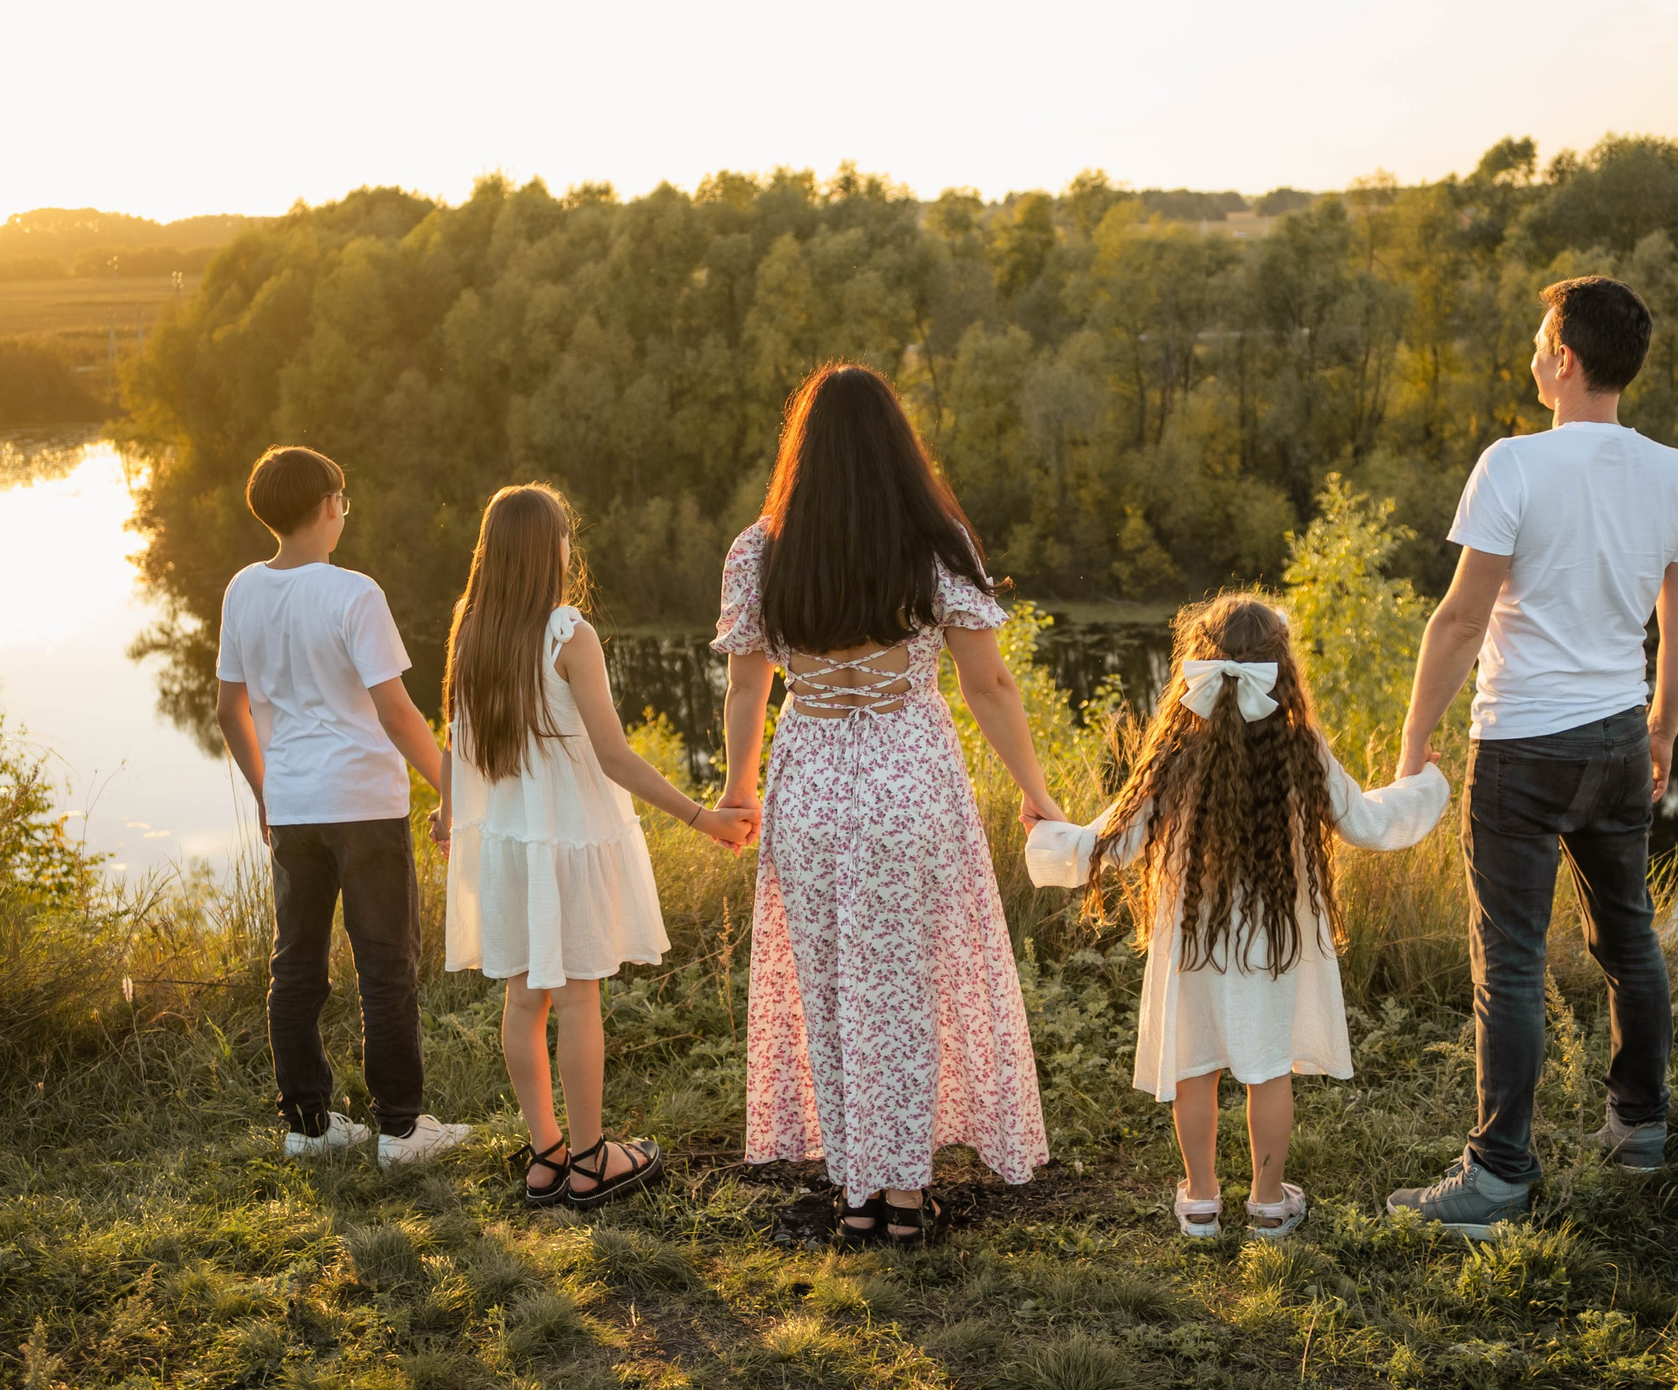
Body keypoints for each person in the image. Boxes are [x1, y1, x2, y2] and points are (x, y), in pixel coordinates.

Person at [1385, 276, 1678, 1238]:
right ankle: (1639, 1129)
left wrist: (1413, 740)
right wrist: (1662, 730)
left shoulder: (1512, 465)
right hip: (1616, 737)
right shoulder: (1673, 473)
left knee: (1512, 964)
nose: (1532, 354)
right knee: (1631, 939)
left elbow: (1458, 618)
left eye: (1539, 340)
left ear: (1566, 358)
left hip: (1522, 746)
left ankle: (1497, 1176)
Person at [713, 363, 1064, 1248]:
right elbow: (987, 682)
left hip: (813, 785)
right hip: (909, 779)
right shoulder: (936, 539)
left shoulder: (760, 548)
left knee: (831, 984)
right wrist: (1037, 792)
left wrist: (738, 787)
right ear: (896, 446)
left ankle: (857, 1188)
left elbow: (748, 688)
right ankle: (905, 1197)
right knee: (908, 986)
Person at [1025, 595, 1448, 1238]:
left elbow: (1114, 839)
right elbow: (1367, 821)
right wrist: (1424, 785)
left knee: (1196, 1068)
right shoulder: (1300, 745)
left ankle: (1199, 1200)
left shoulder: (1174, 750)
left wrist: (1048, 835)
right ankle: (1270, 1203)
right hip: (1272, 942)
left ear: (1198, 663)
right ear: (1282, 668)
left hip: (1194, 937)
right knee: (1268, 1070)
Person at [437, 485, 753, 1207]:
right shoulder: (567, 632)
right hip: (568, 836)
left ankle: (545, 1154)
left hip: (511, 841)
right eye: (564, 538)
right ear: (550, 550)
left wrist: (450, 814)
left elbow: (455, 735)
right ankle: (590, 1160)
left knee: (524, 999)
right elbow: (612, 755)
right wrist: (700, 814)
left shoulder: (472, 628)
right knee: (579, 999)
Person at [213, 445, 473, 1170]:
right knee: (385, 964)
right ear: (328, 506)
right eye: (344, 499)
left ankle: (308, 1124)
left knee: (295, 966)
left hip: (293, 804)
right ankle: (401, 1129)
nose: (344, 511)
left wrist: (266, 789)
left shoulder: (242, 590)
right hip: (362, 800)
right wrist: (452, 782)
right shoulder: (355, 592)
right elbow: (395, 711)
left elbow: (230, 710)